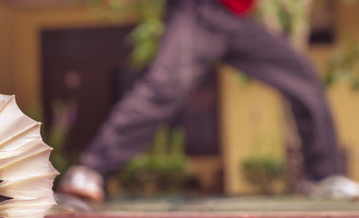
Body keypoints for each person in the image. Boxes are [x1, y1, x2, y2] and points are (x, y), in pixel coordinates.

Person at [58, 0, 359, 202]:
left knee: (303, 77)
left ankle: (323, 176)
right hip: (198, 9)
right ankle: (91, 170)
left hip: (235, 19)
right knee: (165, 87)